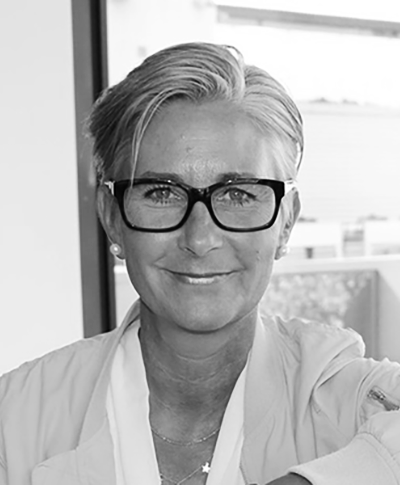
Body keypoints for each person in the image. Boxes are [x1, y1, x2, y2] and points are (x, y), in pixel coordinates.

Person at [1, 42, 400, 485]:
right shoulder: (14, 418)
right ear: (112, 218)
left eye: (238, 195)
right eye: (161, 193)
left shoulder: (353, 399)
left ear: (286, 221)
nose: (200, 239)